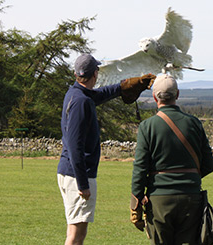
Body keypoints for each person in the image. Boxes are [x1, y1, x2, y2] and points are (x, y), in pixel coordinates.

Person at [57, 53, 155, 245]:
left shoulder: (76, 93)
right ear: (95, 73)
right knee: (77, 236)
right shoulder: (81, 101)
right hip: (77, 175)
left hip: (70, 172)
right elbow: (75, 146)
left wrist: (123, 87)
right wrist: (83, 184)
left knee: (73, 232)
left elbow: (100, 95)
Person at [130, 74, 213, 244]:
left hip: (160, 201)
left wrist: (136, 201)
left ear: (155, 97)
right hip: (191, 198)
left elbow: (140, 168)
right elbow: (209, 165)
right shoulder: (194, 123)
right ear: (177, 94)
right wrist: (189, 178)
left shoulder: (147, 127)